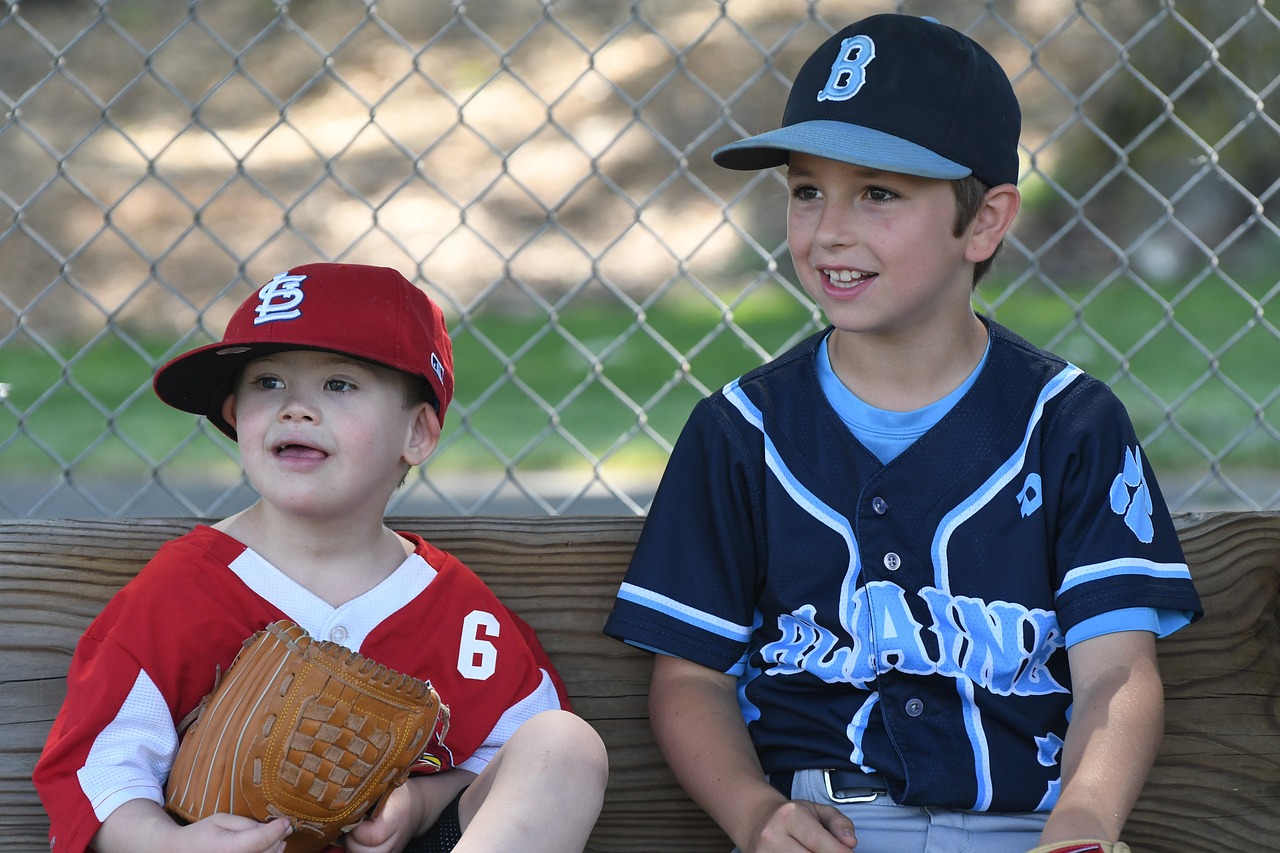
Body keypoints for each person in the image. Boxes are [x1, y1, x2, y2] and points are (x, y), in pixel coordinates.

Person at [604, 13, 1202, 853]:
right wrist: (751, 810)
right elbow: (692, 678)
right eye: (807, 190)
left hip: (1029, 826)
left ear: (986, 221)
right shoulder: (740, 431)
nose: (830, 229)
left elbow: (1117, 671)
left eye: (877, 192)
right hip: (828, 826)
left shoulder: (1068, 423)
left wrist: (1083, 823)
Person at [34, 262, 608, 853]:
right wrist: (169, 845)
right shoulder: (182, 590)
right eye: (267, 382)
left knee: (563, 744)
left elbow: (510, 749)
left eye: (338, 384)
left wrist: (420, 803)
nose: (295, 408)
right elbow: (100, 768)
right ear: (234, 414)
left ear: (418, 433)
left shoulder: (460, 614)